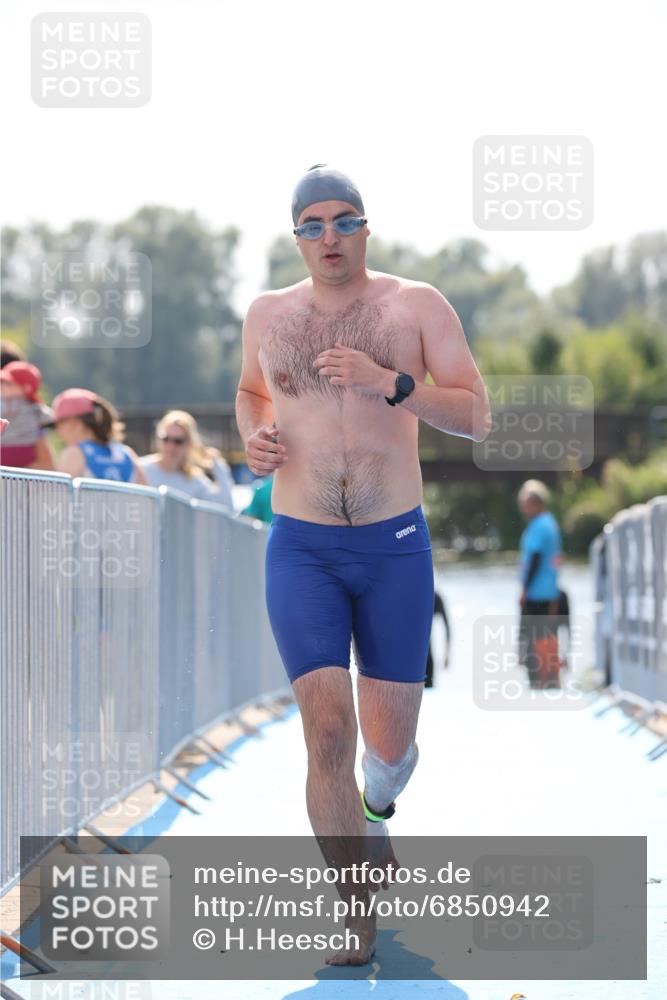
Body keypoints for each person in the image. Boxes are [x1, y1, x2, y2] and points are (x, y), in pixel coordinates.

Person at [235, 164, 491, 965]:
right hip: (301, 546)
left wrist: (391, 383)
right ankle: (354, 915)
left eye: (344, 221)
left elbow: (478, 416)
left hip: (393, 548)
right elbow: (251, 393)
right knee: (326, 732)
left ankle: (378, 809)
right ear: (296, 238)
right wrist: (253, 438)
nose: (330, 237)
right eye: (312, 225)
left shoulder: (414, 306)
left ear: (365, 228)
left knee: (390, 748)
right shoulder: (268, 314)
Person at [517, 479, 563, 689]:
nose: (523, 508)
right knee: (547, 635)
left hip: (537, 592)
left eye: (525, 504)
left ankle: (540, 683)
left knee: (535, 639)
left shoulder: (539, 526)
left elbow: (535, 558)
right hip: (549, 590)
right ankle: (551, 681)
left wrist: (525, 589)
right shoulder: (550, 523)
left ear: (535, 503)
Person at [52, 388, 147, 484]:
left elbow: (59, 492)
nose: (57, 431)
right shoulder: (127, 454)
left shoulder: (74, 454)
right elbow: (145, 491)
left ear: (75, 423)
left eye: (57, 424)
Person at [139, 410, 225, 502]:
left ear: (189, 443)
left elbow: (226, 504)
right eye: (166, 439)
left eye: (178, 441)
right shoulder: (140, 469)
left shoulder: (194, 480)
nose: (170, 446)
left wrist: (218, 465)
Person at [0, 361, 56, 470]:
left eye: (9, 383)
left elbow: (52, 418)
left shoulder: (33, 408)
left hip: (25, 450)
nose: (2, 386)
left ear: (26, 388)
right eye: (2, 382)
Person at [425, 589, 451, 688]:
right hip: (422, 653)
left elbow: (447, 627)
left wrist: (447, 654)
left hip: (425, 655)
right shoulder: (434, 597)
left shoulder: (435, 598)